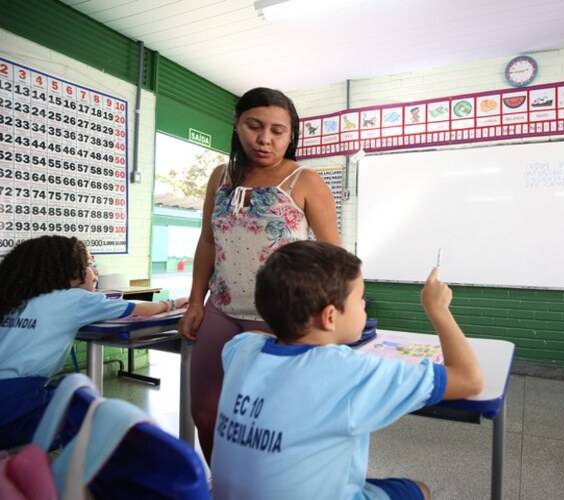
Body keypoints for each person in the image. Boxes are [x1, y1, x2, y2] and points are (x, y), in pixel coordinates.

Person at [210, 241, 483, 500]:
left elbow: (265, 338)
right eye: (360, 298)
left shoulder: (240, 349)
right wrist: (438, 309)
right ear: (330, 317)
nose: (364, 304)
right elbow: (469, 379)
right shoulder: (348, 372)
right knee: (419, 490)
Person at [178, 87, 340, 461]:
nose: (265, 139)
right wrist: (196, 300)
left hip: (279, 316)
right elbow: (207, 241)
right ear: (237, 125)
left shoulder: (305, 181)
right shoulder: (221, 176)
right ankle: (225, 487)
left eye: (278, 131)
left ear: (291, 136)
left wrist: (328, 311)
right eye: (254, 126)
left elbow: (334, 254)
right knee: (204, 412)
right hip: (221, 308)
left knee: (267, 422)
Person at [0, 235, 187, 449]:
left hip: (12, 398)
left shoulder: (11, 299)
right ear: (70, 273)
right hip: (16, 402)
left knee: (66, 389)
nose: (94, 272)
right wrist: (171, 303)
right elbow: (139, 309)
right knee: (94, 412)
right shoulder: (75, 299)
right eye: (89, 264)